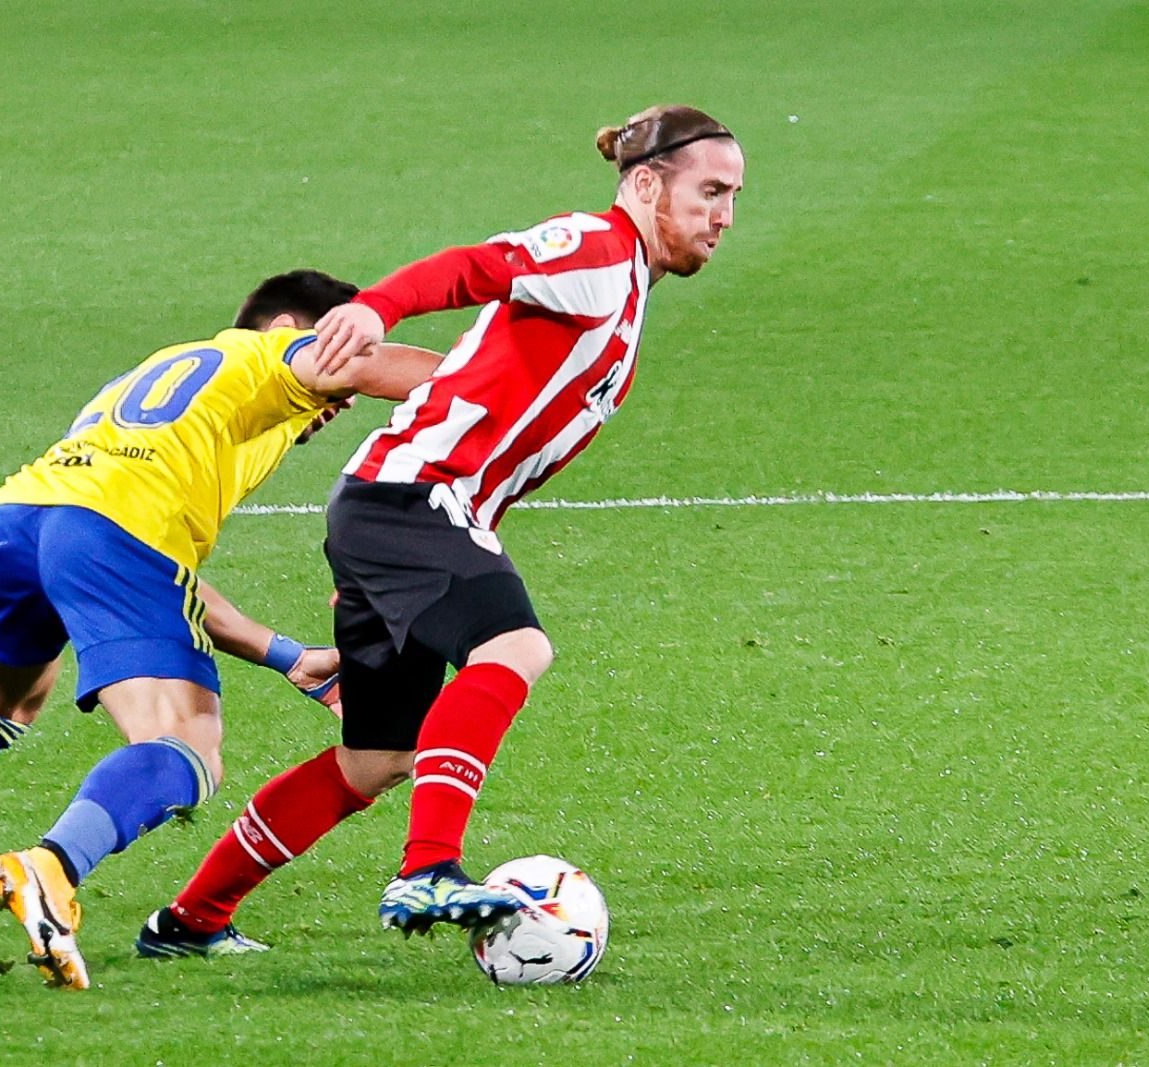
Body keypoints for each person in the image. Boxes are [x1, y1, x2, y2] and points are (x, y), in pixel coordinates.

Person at [136, 105, 745, 956]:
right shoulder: (598, 250)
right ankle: (429, 867)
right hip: (415, 502)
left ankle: (187, 923)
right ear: (646, 184)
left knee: (375, 759)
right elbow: (477, 266)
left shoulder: (626, 286)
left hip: (400, 513)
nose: (723, 216)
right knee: (516, 648)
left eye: (733, 197)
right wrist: (378, 307)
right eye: (709, 191)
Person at [0, 270, 442, 987]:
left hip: (25, 516)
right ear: (290, 330)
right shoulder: (269, 359)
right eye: (341, 341)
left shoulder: (160, 382)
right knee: (186, 745)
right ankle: (51, 869)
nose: (340, 397)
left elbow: (150, 561)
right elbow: (390, 370)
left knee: (1, 701)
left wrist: (284, 655)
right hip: (105, 531)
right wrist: (522, 378)